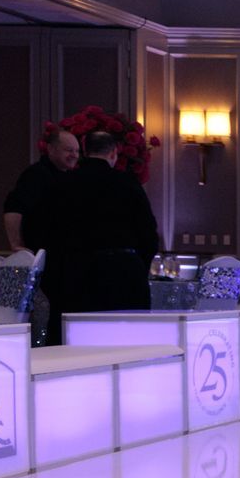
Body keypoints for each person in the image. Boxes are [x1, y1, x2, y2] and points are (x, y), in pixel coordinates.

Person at [42, 129, 161, 341]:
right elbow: (149, 234)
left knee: (79, 343)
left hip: (76, 275)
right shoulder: (127, 183)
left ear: (85, 151)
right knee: (125, 341)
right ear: (114, 153)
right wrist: (136, 265)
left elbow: (47, 232)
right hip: (124, 275)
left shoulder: (63, 184)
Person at [2, 127, 79, 252]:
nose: (74, 155)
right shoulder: (36, 175)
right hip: (43, 252)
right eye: (69, 150)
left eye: (77, 151)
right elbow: (13, 207)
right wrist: (15, 243)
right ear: (51, 149)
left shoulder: (70, 176)